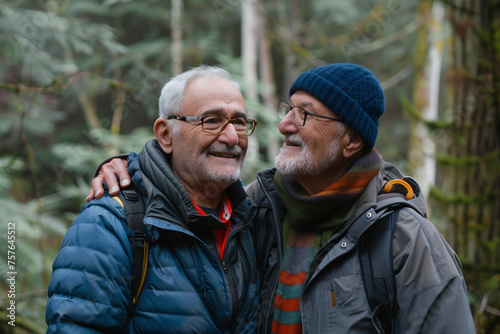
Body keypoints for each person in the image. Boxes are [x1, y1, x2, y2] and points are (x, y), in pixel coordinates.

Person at [88, 63, 476, 333]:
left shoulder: (403, 240)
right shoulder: (256, 208)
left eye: (305, 115)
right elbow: (184, 175)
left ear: (352, 140)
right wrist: (128, 168)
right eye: (288, 109)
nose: (285, 125)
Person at [46, 65, 261, 333]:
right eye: (211, 121)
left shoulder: (256, 218)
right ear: (166, 135)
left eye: (239, 122)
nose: (232, 137)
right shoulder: (110, 224)